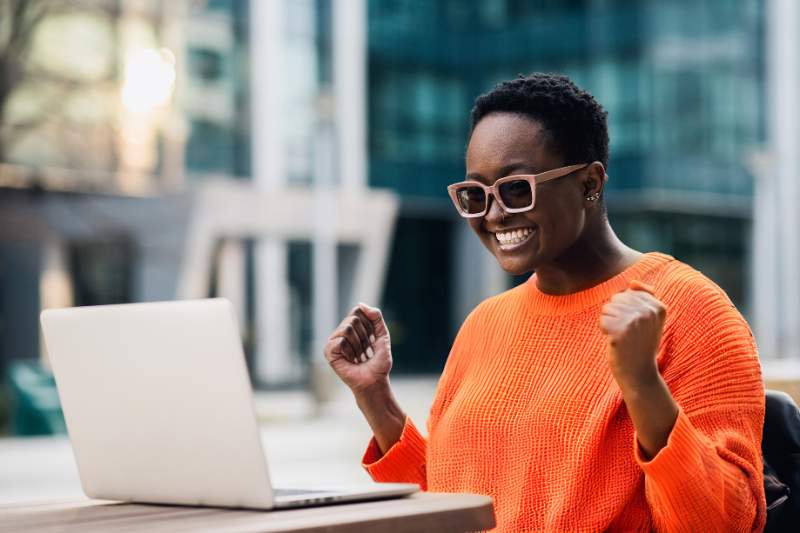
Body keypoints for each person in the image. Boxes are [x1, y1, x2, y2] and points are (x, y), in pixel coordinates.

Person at [323, 73, 766, 532]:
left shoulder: (691, 309)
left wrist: (642, 386)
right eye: (476, 195)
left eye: (517, 188)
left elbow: (725, 521)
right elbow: (450, 501)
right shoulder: (485, 323)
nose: (494, 215)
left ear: (589, 182)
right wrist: (376, 398)